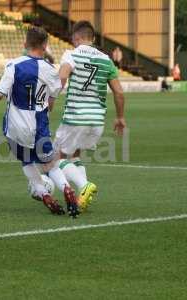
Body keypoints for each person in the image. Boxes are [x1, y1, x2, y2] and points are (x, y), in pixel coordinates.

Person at [0, 26, 80, 218]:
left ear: (24, 44)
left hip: (15, 126)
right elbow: (51, 103)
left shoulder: (13, 65)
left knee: (26, 161)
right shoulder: (50, 70)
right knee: (50, 165)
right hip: (39, 125)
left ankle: (44, 194)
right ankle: (66, 189)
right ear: (45, 46)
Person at [56, 20, 126, 212]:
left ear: (76, 38)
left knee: (57, 158)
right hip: (96, 120)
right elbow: (119, 93)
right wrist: (120, 118)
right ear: (93, 38)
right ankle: (84, 197)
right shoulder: (106, 59)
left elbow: (62, 77)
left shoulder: (71, 54)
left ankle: (84, 186)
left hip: (75, 117)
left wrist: (50, 98)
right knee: (75, 155)